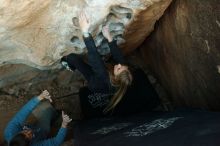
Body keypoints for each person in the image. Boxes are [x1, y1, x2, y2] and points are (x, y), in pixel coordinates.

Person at [61, 12, 160, 118]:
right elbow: (119, 57)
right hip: (104, 77)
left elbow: (95, 57)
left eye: (118, 69)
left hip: (94, 82)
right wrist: (109, 37)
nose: (118, 65)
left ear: (115, 77)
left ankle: (69, 66)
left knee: (72, 58)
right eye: (122, 67)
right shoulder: (122, 73)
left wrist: (85, 31)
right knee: (112, 63)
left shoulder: (103, 77)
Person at [4, 90, 72, 146]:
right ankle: (53, 118)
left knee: (47, 111)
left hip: (34, 127)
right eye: (29, 137)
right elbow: (55, 142)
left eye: (24, 133)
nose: (29, 132)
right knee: (46, 123)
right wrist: (64, 124)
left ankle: (54, 114)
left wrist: (40, 97)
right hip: (41, 133)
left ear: (16, 134)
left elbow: (23, 112)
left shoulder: (9, 131)